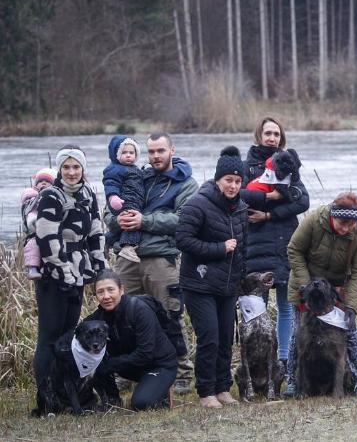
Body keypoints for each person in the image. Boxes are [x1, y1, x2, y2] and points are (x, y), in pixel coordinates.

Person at [104, 132, 198, 394]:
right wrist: (119, 220)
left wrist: (144, 221)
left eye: (161, 151)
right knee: (122, 317)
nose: (156, 156)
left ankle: (182, 373)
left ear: (172, 150)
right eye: (152, 152)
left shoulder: (186, 184)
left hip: (162, 260)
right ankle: (126, 372)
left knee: (170, 315)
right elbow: (109, 213)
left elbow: (184, 220)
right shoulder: (135, 176)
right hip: (126, 257)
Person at [33, 145, 108, 407]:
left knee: (68, 337)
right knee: (50, 338)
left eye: (76, 167)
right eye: (66, 167)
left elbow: (96, 230)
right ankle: (45, 399)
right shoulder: (51, 196)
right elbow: (46, 236)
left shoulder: (88, 193)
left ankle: (65, 394)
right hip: (53, 276)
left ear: (83, 169)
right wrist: (62, 271)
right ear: (60, 169)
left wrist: (100, 266)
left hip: (78, 274)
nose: (72, 172)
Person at [176, 146, 248, 408]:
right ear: (218, 179)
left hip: (228, 285)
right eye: (228, 180)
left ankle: (222, 388)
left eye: (238, 181)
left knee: (226, 338)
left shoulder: (240, 208)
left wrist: (242, 279)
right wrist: (219, 248)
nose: (233, 185)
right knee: (210, 337)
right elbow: (183, 240)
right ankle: (205, 391)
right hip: (199, 283)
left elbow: (243, 248)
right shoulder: (198, 203)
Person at [285, 192, 357, 397]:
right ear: (333, 214)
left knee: (351, 333)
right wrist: (306, 288)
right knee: (298, 333)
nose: (346, 228)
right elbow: (294, 250)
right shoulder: (313, 220)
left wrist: (351, 306)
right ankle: (292, 382)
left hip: (338, 291)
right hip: (306, 283)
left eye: (351, 224)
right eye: (342, 223)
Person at [240, 117, 309, 367]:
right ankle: (254, 364)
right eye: (268, 133)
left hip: (285, 245)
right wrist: (272, 195)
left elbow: (302, 201)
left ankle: (283, 361)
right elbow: (239, 197)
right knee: (253, 309)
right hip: (255, 247)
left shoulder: (288, 164)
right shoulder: (245, 166)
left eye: (276, 134)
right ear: (258, 135)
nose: (272, 138)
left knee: (286, 308)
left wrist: (269, 212)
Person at [86, 270, 177, 410]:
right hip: (130, 367)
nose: (106, 296)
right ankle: (112, 400)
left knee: (141, 404)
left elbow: (146, 353)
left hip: (159, 365)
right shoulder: (97, 319)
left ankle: (161, 391)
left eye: (111, 290)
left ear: (121, 289)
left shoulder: (139, 310)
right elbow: (77, 337)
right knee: (92, 357)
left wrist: (111, 364)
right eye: (100, 292)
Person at [102, 136, 144, 264]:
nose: (128, 156)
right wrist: (113, 197)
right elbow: (110, 183)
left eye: (131, 153)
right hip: (124, 202)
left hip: (135, 200)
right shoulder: (114, 169)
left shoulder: (135, 169)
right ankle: (128, 247)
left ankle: (106, 240)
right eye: (124, 153)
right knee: (131, 224)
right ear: (117, 155)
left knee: (122, 228)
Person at [20, 167, 57, 280]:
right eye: (40, 182)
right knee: (32, 245)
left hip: (52, 232)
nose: (43, 184)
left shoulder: (57, 196)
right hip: (36, 230)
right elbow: (31, 217)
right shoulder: (32, 197)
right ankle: (32, 268)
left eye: (47, 182)